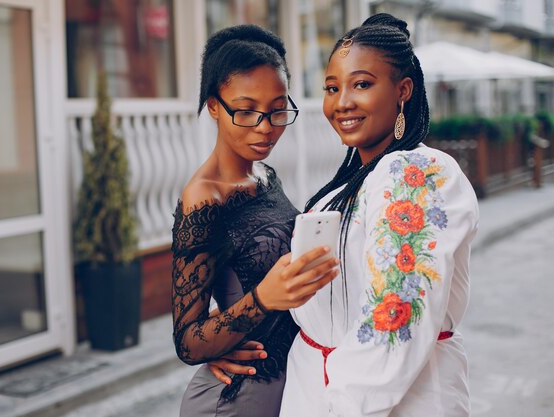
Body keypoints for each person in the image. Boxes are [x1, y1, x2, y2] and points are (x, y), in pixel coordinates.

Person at [279, 13, 479, 417]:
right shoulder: (346, 185)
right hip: (313, 390)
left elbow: (397, 322)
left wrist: (342, 407)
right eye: (332, 88)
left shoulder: (416, 172)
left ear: (402, 90)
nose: (342, 102)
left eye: (362, 84)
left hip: (384, 402)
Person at [171, 24, 338, 417]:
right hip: (235, 399)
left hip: (288, 388)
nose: (265, 127)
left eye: (277, 109)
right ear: (214, 106)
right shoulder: (204, 197)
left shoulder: (264, 175)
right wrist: (263, 298)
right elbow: (187, 342)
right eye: (246, 111)